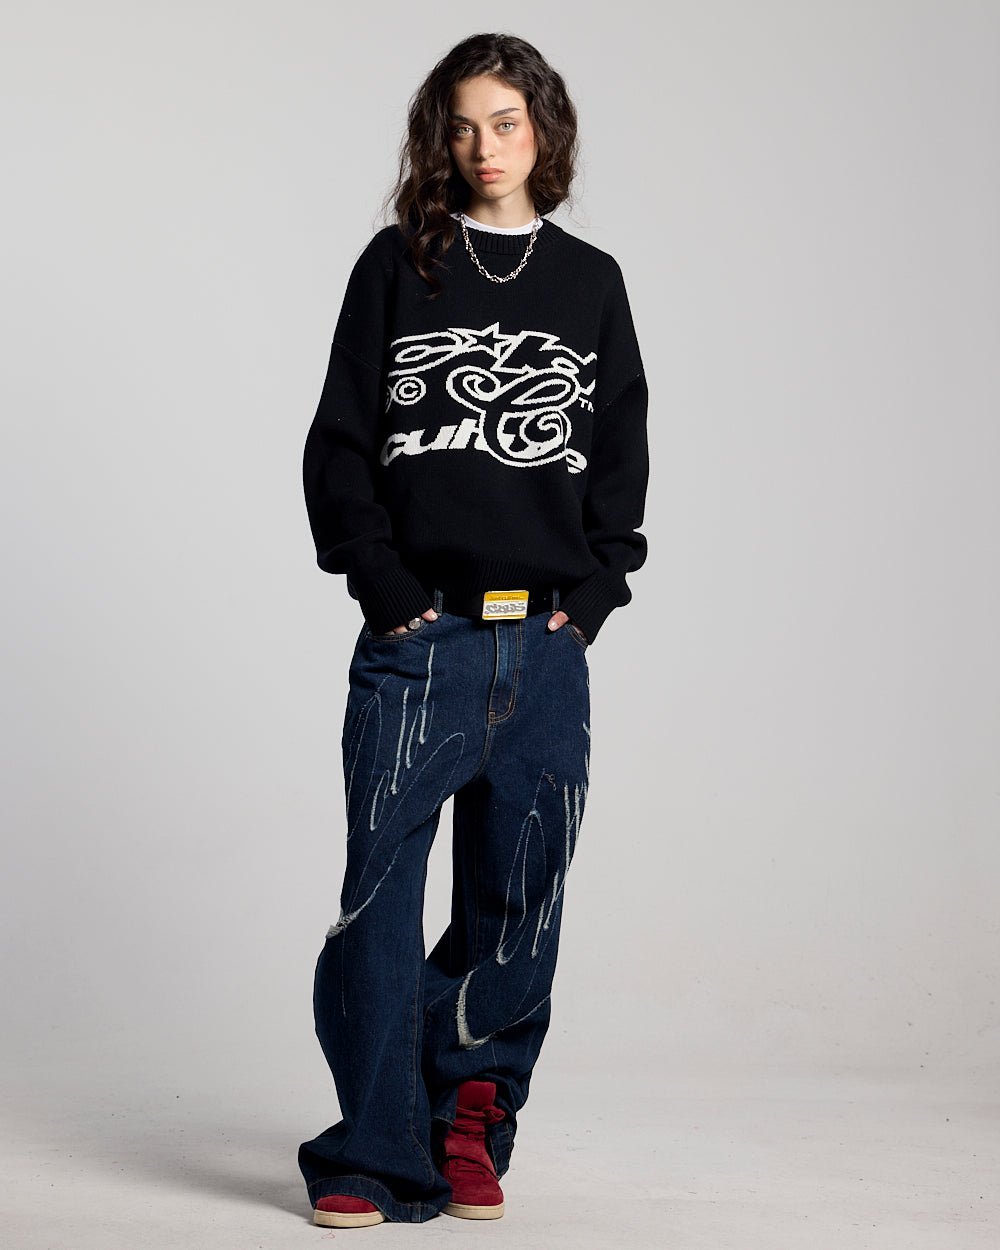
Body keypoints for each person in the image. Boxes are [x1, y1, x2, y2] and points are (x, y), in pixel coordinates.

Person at [296, 31, 649, 1228]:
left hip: (543, 653)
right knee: (379, 905)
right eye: (460, 125)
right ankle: (370, 1145)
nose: (483, 146)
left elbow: (620, 455)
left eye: (505, 122)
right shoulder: (399, 265)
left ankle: (467, 1124)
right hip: (420, 643)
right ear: (436, 139)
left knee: (516, 906)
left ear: (543, 128)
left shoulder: (590, 281)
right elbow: (339, 442)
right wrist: (380, 580)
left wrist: (592, 598)